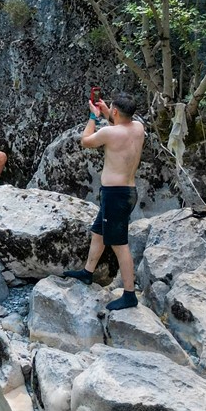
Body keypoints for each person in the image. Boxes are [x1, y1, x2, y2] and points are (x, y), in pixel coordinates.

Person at [63, 92, 146, 311]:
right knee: (98, 232)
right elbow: (120, 123)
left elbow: (86, 141)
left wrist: (93, 116)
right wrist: (108, 113)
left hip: (115, 195)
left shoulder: (109, 133)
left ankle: (129, 294)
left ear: (117, 111)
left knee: (119, 244)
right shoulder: (138, 128)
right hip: (126, 192)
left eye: (112, 109)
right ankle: (87, 273)